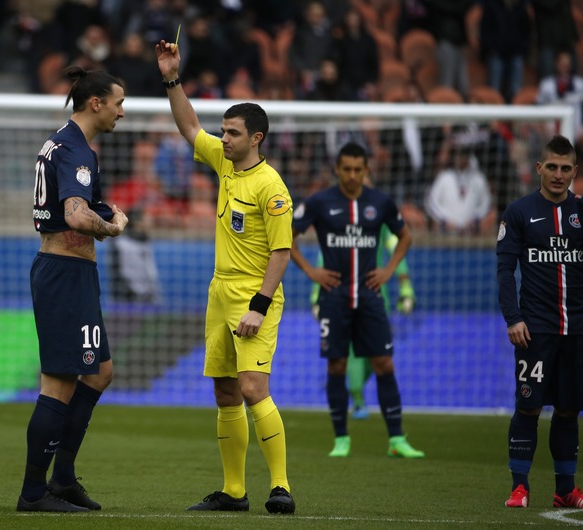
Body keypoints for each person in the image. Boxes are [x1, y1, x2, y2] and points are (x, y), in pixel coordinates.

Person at [156, 38, 296, 514]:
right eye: (225, 132)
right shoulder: (225, 163)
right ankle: (234, 492)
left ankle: (281, 487)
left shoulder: (271, 186)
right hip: (219, 291)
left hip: (255, 296)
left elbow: (282, 250)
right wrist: (172, 77)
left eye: (233, 133)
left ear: (256, 137)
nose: (225, 138)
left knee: (254, 387)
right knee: (225, 391)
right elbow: (189, 126)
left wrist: (258, 305)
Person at [17, 65, 128, 513]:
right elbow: (78, 216)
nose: (123, 113)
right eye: (119, 103)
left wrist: (100, 208)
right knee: (59, 383)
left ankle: (62, 478)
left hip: (71, 274)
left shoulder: (60, 141)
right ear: (97, 102)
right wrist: (113, 226)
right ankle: (32, 492)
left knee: (100, 373)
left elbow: (72, 207)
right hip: (64, 275)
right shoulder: (77, 151)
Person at [290, 141, 425, 459]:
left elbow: (405, 236)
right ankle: (341, 439)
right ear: (337, 170)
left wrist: (389, 270)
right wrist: (312, 271)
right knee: (336, 365)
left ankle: (396, 439)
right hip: (333, 298)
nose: (352, 175)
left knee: (384, 363)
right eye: (346, 169)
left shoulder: (380, 202)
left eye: (358, 170)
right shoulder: (320, 202)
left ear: (366, 171)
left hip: (370, 297)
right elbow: (287, 236)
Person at [498, 135, 583, 509]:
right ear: (539, 169)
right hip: (535, 330)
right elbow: (504, 271)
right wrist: (513, 318)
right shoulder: (519, 213)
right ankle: (520, 487)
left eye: (566, 168)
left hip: (577, 331)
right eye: (552, 167)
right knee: (528, 407)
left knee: (568, 408)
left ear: (574, 171)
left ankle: (565, 488)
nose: (559, 175)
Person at [310, 179, 416, 420]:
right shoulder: (335, 222)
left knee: (376, 357)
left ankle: (354, 389)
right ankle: (357, 399)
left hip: (375, 296)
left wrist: (405, 287)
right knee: (353, 353)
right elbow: (322, 259)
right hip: (342, 296)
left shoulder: (379, 221)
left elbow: (396, 248)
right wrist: (317, 295)